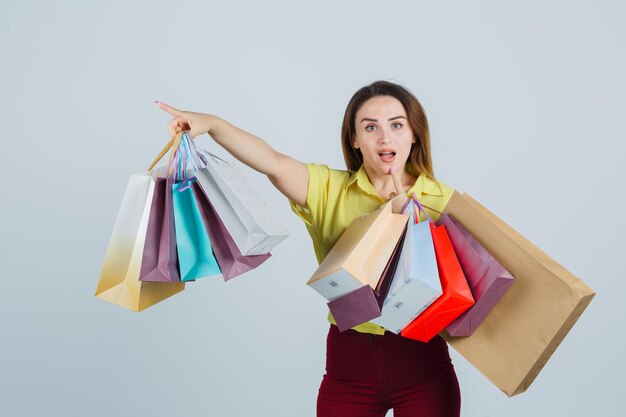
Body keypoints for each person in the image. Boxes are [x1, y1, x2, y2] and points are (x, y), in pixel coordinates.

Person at [156, 80, 461, 417]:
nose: (385, 137)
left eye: (397, 125)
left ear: (414, 134)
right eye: (370, 127)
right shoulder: (328, 190)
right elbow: (271, 161)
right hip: (350, 366)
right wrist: (212, 124)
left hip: (421, 364)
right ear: (355, 139)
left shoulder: (443, 201)